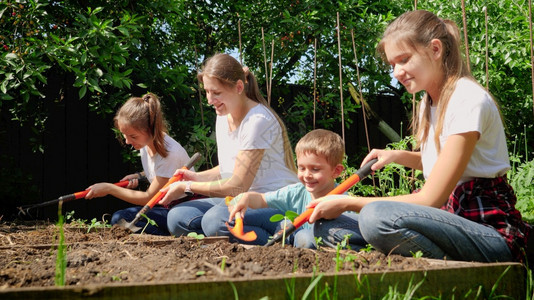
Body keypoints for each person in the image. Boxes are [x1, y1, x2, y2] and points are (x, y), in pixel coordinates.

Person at [310, 10, 532, 263]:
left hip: (486, 230)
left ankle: (462, 272)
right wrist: (396, 156)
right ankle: (401, 257)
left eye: (404, 60)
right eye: (392, 65)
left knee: (377, 217)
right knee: (330, 228)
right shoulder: (429, 103)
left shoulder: (467, 99)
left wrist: (347, 202)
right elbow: (444, 164)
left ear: (435, 50)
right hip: (446, 221)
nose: (396, 72)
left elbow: (430, 198)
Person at [159, 53, 299, 243]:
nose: (209, 100)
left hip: (272, 201)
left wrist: (188, 186)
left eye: (216, 93)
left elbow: (238, 185)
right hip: (240, 199)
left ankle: (286, 235)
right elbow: (228, 169)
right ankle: (226, 237)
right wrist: (195, 177)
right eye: (207, 91)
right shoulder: (223, 115)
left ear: (239, 87)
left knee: (215, 220)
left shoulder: (257, 121)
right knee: (178, 217)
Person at [225, 129, 361, 248]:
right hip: (290, 234)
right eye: (301, 168)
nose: (307, 175)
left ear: (336, 171)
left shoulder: (342, 202)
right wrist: (246, 198)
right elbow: (261, 199)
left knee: (305, 238)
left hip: (313, 242)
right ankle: (273, 248)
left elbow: (349, 233)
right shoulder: (296, 192)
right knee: (221, 221)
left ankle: (284, 246)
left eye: (315, 169)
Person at [84, 93, 192, 235]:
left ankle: (174, 235)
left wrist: (109, 188)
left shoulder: (170, 153)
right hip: (165, 206)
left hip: (181, 209)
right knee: (121, 219)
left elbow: (149, 198)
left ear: (151, 129)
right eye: (124, 135)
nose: (128, 141)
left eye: (133, 136)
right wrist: (139, 176)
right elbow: (160, 174)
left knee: (121, 218)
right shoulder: (145, 144)